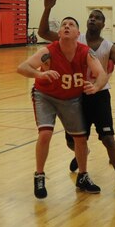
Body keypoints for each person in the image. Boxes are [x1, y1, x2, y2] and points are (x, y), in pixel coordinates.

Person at [37, 0, 115, 200]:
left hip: (99, 96)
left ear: (103, 24)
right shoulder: (74, 38)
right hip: (76, 95)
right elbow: (43, 32)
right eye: (90, 16)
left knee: (108, 138)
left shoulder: (110, 46)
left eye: (97, 17)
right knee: (75, 141)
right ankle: (82, 157)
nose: (93, 19)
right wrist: (47, 8)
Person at [17, 16, 108, 199]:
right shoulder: (48, 51)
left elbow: (102, 74)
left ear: (77, 33)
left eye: (71, 25)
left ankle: (83, 176)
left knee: (80, 140)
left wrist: (96, 86)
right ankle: (39, 175)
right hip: (46, 96)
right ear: (59, 33)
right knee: (45, 134)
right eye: (64, 25)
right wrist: (39, 75)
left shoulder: (85, 51)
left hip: (71, 99)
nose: (67, 26)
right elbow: (22, 67)